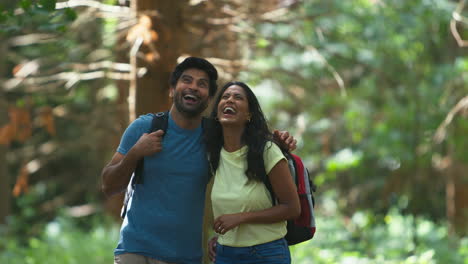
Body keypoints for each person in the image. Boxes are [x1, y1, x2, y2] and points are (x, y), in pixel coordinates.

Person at [101, 57, 297, 264]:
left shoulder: (214, 137)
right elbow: (108, 186)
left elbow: (246, 138)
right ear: (172, 90)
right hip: (135, 251)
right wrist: (135, 153)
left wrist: (278, 140)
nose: (193, 87)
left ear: (210, 98)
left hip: (184, 256)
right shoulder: (144, 127)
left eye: (202, 84)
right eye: (187, 80)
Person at [205, 81, 301, 264]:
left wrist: (241, 218)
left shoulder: (267, 150)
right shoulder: (213, 154)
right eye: (225, 97)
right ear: (217, 113)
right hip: (225, 254)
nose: (230, 100)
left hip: (266, 253)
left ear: (249, 114)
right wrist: (223, 238)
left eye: (238, 97)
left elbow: (292, 208)